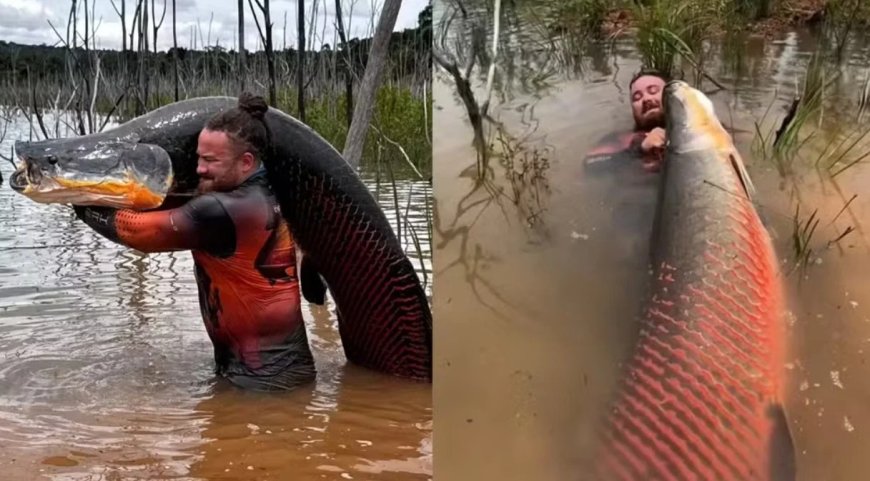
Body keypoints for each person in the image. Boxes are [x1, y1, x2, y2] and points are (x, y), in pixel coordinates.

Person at [73, 93, 315, 392]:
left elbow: (137, 232)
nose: (199, 168)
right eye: (199, 157)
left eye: (211, 160)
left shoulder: (227, 209)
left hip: (267, 382)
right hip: (260, 373)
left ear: (246, 162)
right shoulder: (261, 194)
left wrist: (79, 199)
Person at [584, 69, 670, 174]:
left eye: (653, 91)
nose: (645, 99)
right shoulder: (623, 139)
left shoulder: (692, 126)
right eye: (637, 98)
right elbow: (591, 165)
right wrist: (639, 150)